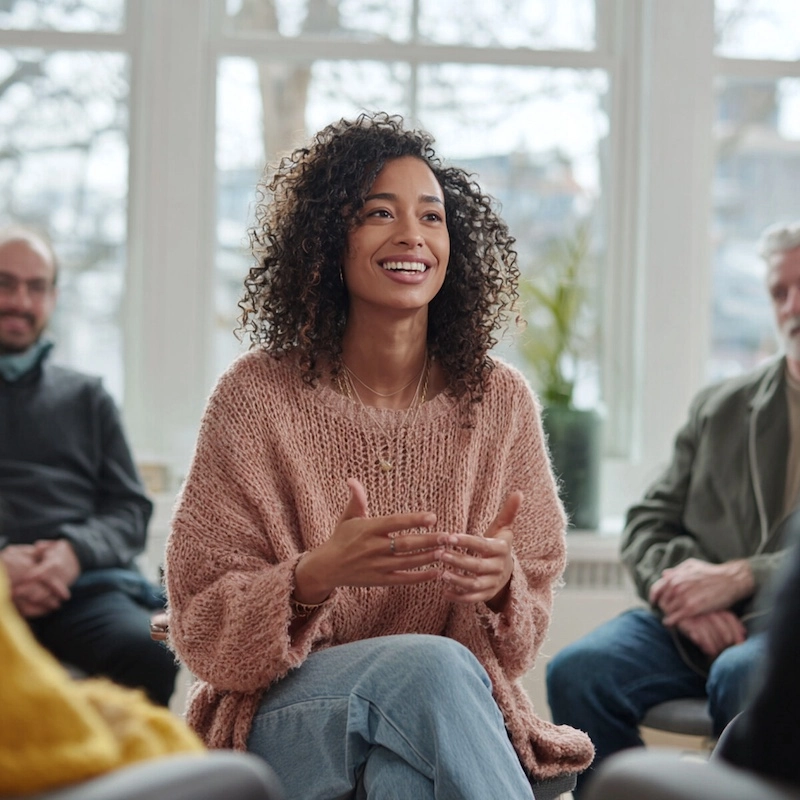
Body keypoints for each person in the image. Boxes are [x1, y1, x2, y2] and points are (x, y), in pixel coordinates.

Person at [165, 112, 594, 799]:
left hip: (445, 710)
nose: (412, 237)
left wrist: (505, 585)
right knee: (429, 670)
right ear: (328, 240)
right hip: (283, 720)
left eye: (432, 216)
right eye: (379, 214)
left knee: (405, 773)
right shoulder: (255, 398)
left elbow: (519, 641)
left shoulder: (500, 402)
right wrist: (309, 578)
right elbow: (201, 628)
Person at [546, 219, 800, 797]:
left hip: (784, 635)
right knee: (578, 671)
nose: (793, 306)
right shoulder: (724, 407)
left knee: (745, 675)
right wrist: (684, 591)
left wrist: (737, 578)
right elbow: (645, 524)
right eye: (779, 291)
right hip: (688, 625)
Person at [0, 224, 177, 705]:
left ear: (52, 298)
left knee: (148, 650)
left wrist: (72, 552)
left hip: (79, 586)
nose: (18, 300)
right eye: (5, 283)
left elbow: (130, 510)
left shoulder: (87, 397)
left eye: (35, 287)